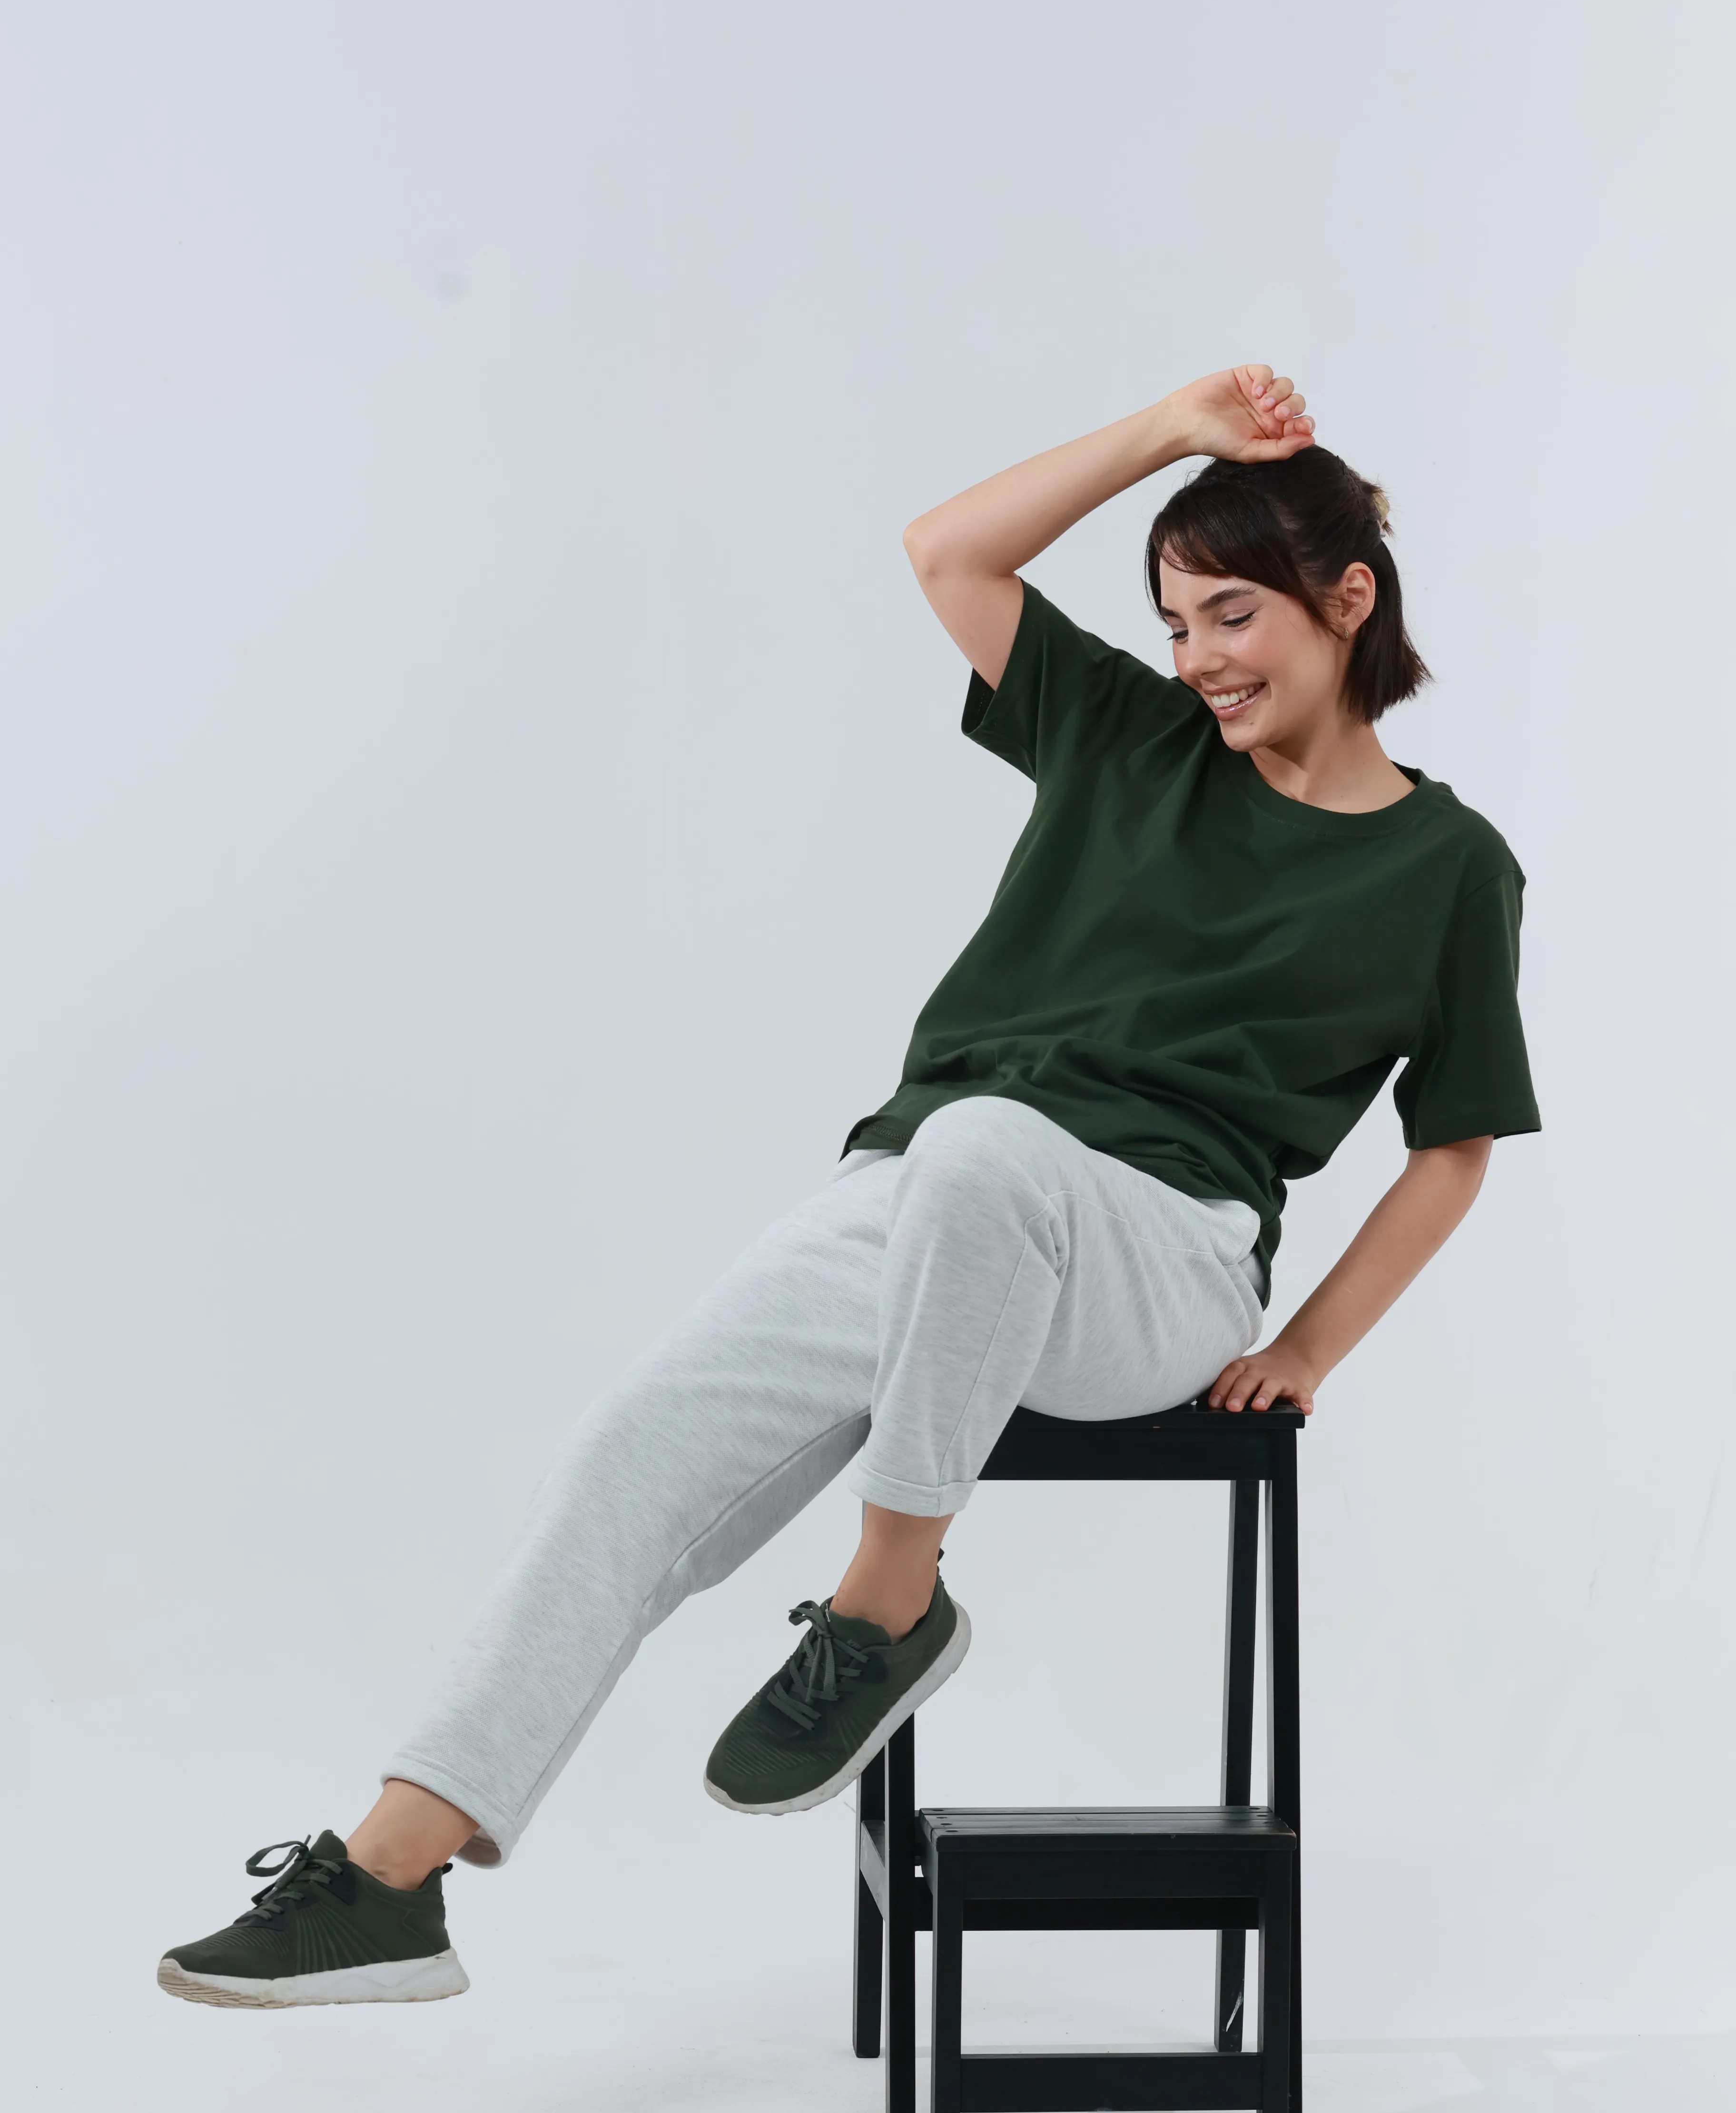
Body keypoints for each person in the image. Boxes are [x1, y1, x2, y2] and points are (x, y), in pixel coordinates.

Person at [158, 363, 1539, 2009]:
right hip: (926, 1193)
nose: (1199, 659)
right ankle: (394, 1873)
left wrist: (1306, 1348)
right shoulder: (1130, 736)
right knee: (634, 1450)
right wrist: (1170, 432)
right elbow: (950, 551)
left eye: (1232, 616)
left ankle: (890, 1600)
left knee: (984, 1152)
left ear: (1349, 599)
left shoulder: (1450, 866)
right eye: (1176, 624)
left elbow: (1453, 1145)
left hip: (1162, 1254)